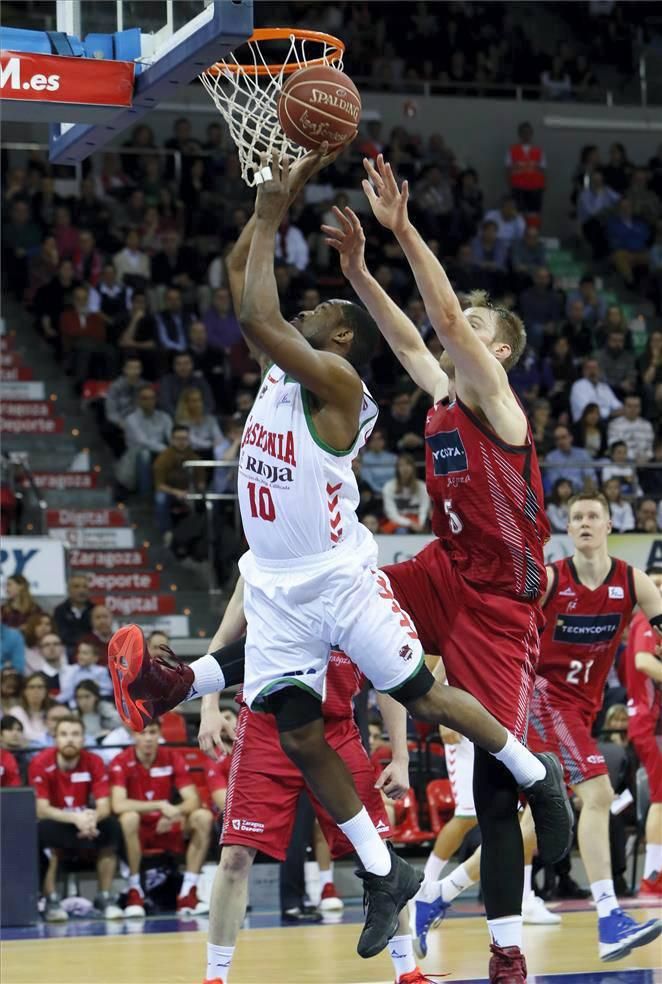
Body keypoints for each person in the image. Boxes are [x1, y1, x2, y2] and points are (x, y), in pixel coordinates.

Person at [107, 150, 572, 984]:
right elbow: (406, 331)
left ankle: (509, 932)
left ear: (498, 349)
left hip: (502, 598)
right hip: (440, 570)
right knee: (304, 666)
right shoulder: (437, 396)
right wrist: (358, 268)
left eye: (471, 325)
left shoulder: (497, 403)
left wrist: (400, 228)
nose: (452, 327)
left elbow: (441, 321)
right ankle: (198, 683)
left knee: (488, 776)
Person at [527, 494, 662, 959]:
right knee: (599, 794)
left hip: (583, 708)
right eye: (576, 518)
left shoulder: (634, 581)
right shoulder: (548, 579)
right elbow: (502, 631)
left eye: (592, 517)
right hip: (543, 700)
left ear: (609, 525)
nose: (584, 523)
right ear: (569, 528)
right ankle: (609, 917)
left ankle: (436, 895)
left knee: (540, 822)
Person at [110, 719, 213, 917]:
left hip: (167, 825)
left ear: (159, 734)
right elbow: (118, 804)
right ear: (133, 736)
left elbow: (192, 800)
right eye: (143, 733)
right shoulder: (121, 761)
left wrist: (176, 812)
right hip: (138, 829)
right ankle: (134, 891)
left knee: (203, 816)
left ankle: (188, 892)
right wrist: (158, 805)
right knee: (128, 818)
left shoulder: (172, 757)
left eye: (153, 732)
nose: (148, 738)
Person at [28, 716, 123, 921]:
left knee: (112, 827)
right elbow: (41, 809)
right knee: (42, 831)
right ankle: (51, 900)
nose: (69, 739)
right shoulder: (40, 763)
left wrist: (92, 818)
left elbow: (105, 805)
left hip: (86, 823)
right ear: (55, 739)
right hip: (58, 821)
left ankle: (104, 897)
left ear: (83, 739)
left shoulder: (94, 761)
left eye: (75, 734)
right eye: (63, 734)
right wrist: (74, 818)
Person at [623, 566, 662, 897]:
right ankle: (653, 877)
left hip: (652, 722)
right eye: (656, 584)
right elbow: (643, 663)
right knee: (661, 800)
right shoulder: (644, 623)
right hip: (650, 723)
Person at [505, 122, 546, 219]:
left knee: (534, 214)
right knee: (518, 214)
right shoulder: (512, 150)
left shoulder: (538, 151)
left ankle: (533, 233)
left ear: (531, 134)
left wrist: (543, 186)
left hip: (535, 188)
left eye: (528, 132)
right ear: (519, 134)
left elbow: (543, 170)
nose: (526, 135)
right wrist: (510, 186)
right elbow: (508, 170)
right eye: (523, 132)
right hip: (518, 188)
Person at [381, 453, 430, 534]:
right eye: (401, 465)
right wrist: (410, 523)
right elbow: (391, 514)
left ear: (413, 468)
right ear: (397, 469)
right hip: (397, 522)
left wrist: (420, 524)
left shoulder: (422, 487)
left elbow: (424, 509)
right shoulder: (389, 487)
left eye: (408, 465)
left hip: (418, 522)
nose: (405, 468)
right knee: (401, 530)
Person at [58, 640, 113, 706]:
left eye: (85, 653)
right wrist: (55, 701)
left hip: (97, 705)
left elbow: (107, 690)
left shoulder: (101, 671)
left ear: (95, 658)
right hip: (74, 706)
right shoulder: (72, 670)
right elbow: (68, 692)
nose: (80, 656)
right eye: (79, 652)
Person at [53, 574, 94, 655]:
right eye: (76, 586)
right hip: (67, 650)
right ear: (69, 590)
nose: (81, 590)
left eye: (85, 587)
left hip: (91, 650)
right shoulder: (60, 611)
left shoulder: (95, 610)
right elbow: (61, 634)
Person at [9, 672, 52, 745]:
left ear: (46, 691)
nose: (36, 691)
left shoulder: (52, 712)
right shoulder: (16, 712)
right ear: (24, 691)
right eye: (31, 687)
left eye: (40, 687)